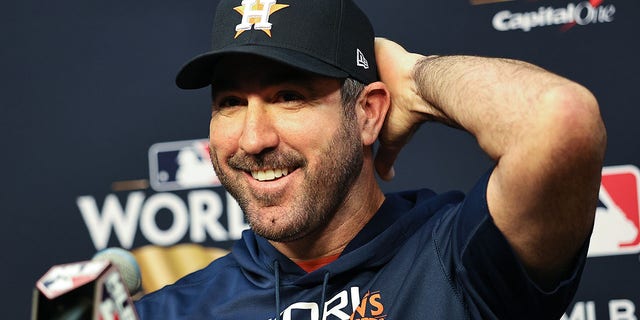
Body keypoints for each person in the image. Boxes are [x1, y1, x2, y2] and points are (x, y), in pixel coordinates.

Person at [134, 0, 606, 319]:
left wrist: (418, 81)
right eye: (231, 102)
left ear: (367, 113)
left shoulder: (456, 258)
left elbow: (561, 122)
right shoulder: (175, 310)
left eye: (289, 96)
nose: (253, 138)